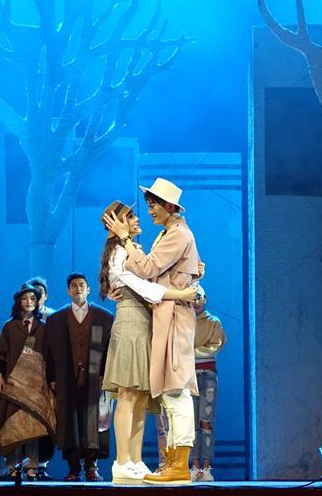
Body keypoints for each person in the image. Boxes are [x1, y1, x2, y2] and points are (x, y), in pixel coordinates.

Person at [103, 177, 202, 485]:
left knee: (173, 390)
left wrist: (126, 241)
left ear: (169, 206)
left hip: (169, 319)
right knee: (142, 394)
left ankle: (175, 462)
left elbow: (147, 271)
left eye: (152, 205)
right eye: (143, 208)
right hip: (148, 319)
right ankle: (132, 461)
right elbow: (139, 279)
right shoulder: (162, 235)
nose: (147, 213)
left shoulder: (176, 234)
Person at [45, 273, 114, 481]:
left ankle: (92, 467)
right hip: (67, 376)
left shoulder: (103, 317)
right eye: (74, 285)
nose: (78, 288)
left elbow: (109, 350)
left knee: (93, 420)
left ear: (88, 289)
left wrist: (104, 374)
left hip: (94, 377)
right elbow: (49, 352)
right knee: (70, 422)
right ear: (68, 290)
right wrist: (52, 377)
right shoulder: (56, 319)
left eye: (82, 285)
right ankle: (73, 468)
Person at [0, 282, 57, 481]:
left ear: (38, 302)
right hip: (13, 385)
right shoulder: (9, 326)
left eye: (32, 298)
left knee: (33, 425)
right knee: (13, 424)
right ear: (18, 302)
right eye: (24, 298)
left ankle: (31, 466)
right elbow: (0, 354)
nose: (29, 302)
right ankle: (12, 466)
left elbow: (51, 356)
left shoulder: (44, 328)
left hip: (36, 386)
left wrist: (51, 381)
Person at [190, 287, 227, 482]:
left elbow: (216, 345)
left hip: (208, 375)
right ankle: (195, 466)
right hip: (188, 376)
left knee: (206, 421)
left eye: (199, 298)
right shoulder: (184, 321)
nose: (196, 302)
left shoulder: (213, 322)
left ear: (206, 299)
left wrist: (191, 352)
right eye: (193, 298)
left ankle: (206, 466)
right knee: (191, 423)